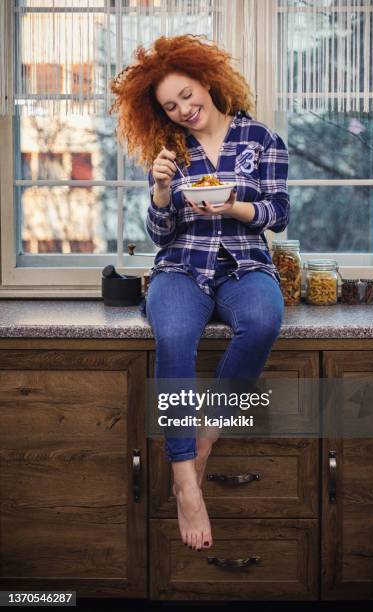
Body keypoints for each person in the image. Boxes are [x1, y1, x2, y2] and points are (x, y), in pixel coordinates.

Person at [110, 34, 290, 553]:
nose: (184, 109)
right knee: (174, 336)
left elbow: (278, 212)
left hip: (243, 264)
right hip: (181, 268)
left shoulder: (262, 140)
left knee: (261, 321)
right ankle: (186, 478)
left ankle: (208, 431)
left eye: (187, 95)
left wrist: (234, 208)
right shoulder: (170, 154)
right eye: (170, 105)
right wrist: (161, 193)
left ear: (208, 81)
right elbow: (162, 235)